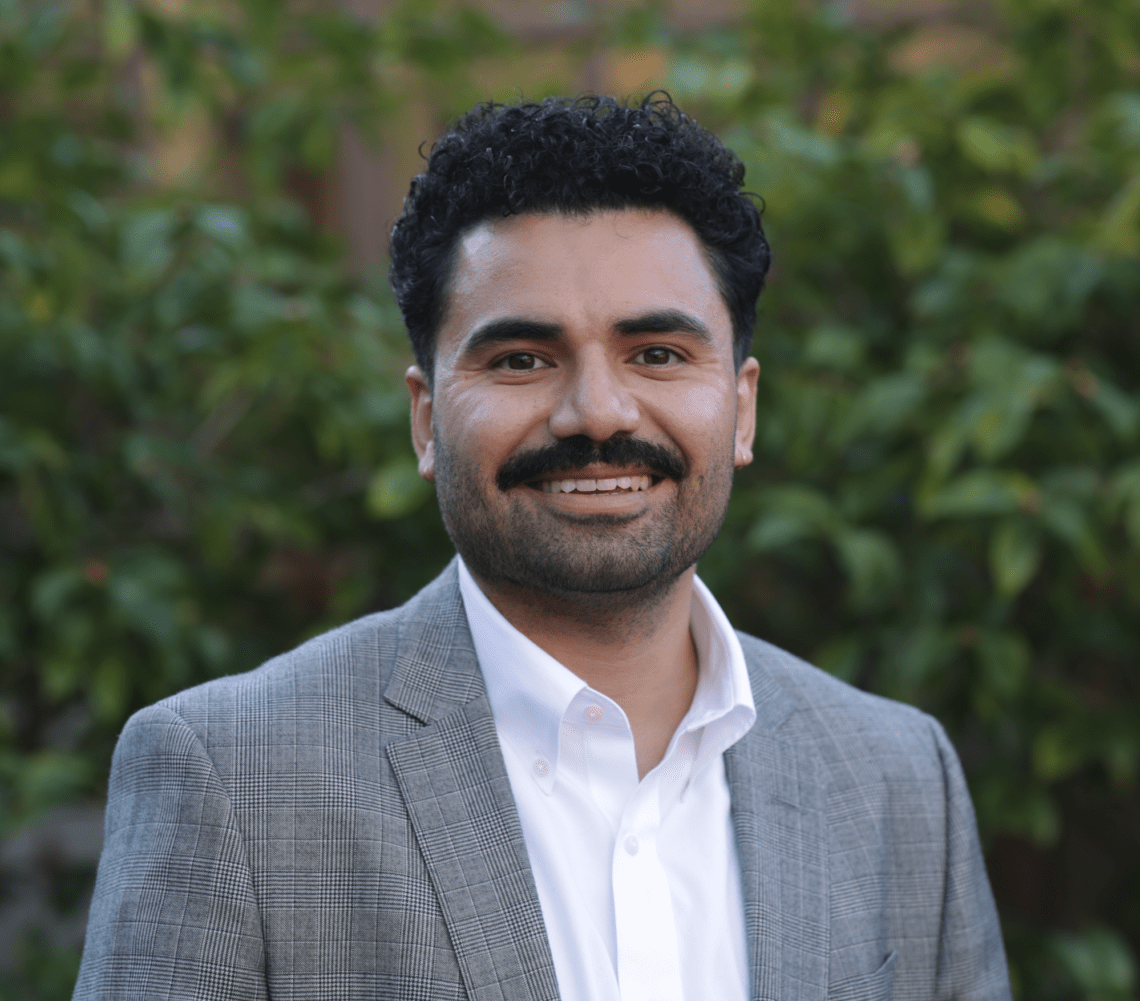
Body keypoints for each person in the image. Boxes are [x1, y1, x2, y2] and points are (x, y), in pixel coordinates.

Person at [75, 94, 1011, 1000]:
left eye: (657, 353)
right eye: (522, 359)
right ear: (427, 417)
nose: (596, 410)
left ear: (743, 406)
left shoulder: (896, 776)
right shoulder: (231, 777)